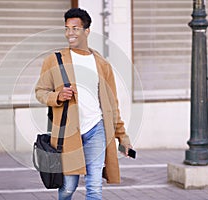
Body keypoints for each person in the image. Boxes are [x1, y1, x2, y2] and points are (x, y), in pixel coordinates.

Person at [35, 8, 132, 200]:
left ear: (87, 31)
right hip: (68, 133)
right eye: (67, 28)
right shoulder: (54, 60)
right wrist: (57, 96)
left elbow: (112, 105)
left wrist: (123, 137)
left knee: (94, 186)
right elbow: (40, 92)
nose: (70, 33)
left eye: (75, 28)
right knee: (68, 187)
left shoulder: (102, 65)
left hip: (96, 129)